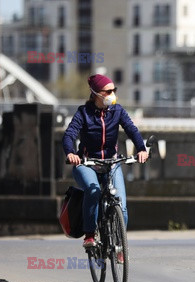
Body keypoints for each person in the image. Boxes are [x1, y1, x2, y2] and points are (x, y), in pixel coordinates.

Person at [63, 74, 148, 248]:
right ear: (96, 93)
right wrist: (71, 153)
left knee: (121, 207)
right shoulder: (83, 113)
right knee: (93, 192)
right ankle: (89, 235)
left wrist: (141, 149)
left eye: (114, 90)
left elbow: (131, 129)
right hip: (87, 164)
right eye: (108, 91)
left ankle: (119, 245)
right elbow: (69, 134)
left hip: (112, 163)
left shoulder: (117, 111)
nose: (112, 94)